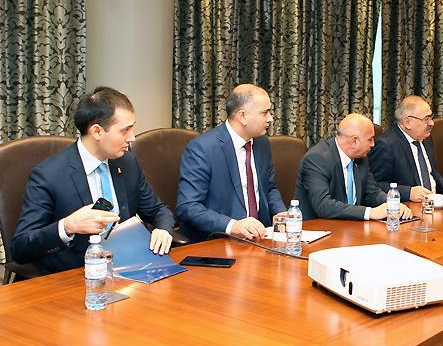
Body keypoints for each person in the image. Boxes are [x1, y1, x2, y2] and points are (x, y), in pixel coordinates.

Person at [11, 87, 175, 273]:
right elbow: (20, 247)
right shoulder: (49, 175)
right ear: (97, 131)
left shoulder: (128, 163)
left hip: (128, 268)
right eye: (125, 130)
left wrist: (163, 229)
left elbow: (158, 210)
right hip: (76, 274)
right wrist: (68, 226)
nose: (132, 138)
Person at [177, 84, 286, 242]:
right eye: (265, 113)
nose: (270, 118)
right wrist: (233, 226)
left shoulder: (262, 143)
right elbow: (188, 207)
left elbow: (269, 188)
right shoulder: (202, 148)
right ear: (242, 116)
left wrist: (281, 214)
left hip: (260, 237)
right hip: (219, 241)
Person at [294, 113, 412, 221]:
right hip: (317, 228)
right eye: (370, 139)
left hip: (351, 227)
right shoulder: (317, 159)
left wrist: (392, 204)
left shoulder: (361, 157)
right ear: (354, 141)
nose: (373, 144)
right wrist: (371, 212)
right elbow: (323, 206)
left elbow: (372, 192)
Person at [368, 95, 443, 202]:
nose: (432, 123)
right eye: (426, 119)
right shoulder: (386, 145)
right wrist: (408, 192)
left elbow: (432, 172)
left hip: (434, 203)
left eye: (431, 117)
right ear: (407, 122)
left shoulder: (426, 138)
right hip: (407, 206)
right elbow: (375, 185)